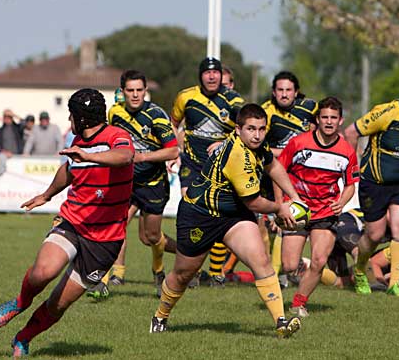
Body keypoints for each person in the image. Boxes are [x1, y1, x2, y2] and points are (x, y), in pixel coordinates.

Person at [0, 88, 134, 357]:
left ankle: (23, 337)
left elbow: (125, 157)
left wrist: (88, 156)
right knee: (43, 272)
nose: (70, 121)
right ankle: (20, 302)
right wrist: (46, 195)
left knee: (58, 304)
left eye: (72, 116)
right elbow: (69, 170)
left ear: (81, 118)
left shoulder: (117, 136)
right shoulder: (77, 140)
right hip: (74, 221)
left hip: (105, 241)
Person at [149, 104, 302, 338]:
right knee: (183, 274)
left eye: (261, 129)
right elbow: (254, 203)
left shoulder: (257, 146)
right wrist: (280, 208)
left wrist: (294, 197)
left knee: (261, 260)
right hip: (200, 215)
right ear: (238, 129)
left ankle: (281, 322)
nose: (257, 134)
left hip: (233, 216)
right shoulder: (237, 155)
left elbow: (273, 165)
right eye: (251, 129)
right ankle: (160, 316)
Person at [88, 70, 179, 298]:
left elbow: (174, 150)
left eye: (140, 90)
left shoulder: (156, 115)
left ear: (145, 91)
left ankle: (164, 268)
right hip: (125, 183)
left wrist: (143, 157)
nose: (136, 95)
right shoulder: (115, 113)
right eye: (131, 90)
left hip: (153, 184)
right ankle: (104, 279)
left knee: (150, 237)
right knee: (114, 228)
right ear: (123, 92)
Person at [344, 73, 399, 297]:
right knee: (374, 234)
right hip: (374, 183)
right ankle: (361, 269)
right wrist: (352, 169)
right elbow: (350, 132)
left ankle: (394, 284)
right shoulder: (385, 113)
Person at [277, 97, 359, 317]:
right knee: (288, 264)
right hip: (298, 209)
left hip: (325, 212)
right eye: (325, 117)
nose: (329, 122)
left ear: (340, 120)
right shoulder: (299, 143)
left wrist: (341, 201)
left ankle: (298, 303)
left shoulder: (346, 151)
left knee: (320, 260)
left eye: (333, 117)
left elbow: (351, 184)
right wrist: (280, 205)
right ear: (318, 119)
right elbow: (278, 172)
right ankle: (300, 272)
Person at [171, 56, 244, 288]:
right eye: (207, 72)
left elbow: (244, 130)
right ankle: (193, 269)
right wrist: (173, 149)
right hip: (192, 164)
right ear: (200, 75)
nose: (212, 76)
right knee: (190, 212)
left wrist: (224, 145)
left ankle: (216, 273)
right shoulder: (186, 97)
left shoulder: (233, 100)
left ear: (222, 76)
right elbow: (173, 123)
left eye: (216, 73)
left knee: (218, 215)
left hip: (221, 168)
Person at [262, 71, 318, 282]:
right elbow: (259, 145)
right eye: (280, 90)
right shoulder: (266, 112)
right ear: (273, 92)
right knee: (269, 226)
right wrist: (285, 153)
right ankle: (273, 272)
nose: (284, 94)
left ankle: (280, 275)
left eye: (288, 90)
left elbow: (320, 130)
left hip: (303, 177)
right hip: (273, 174)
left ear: (296, 92)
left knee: (285, 223)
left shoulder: (310, 107)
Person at [327, 197, 399, 288]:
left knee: (341, 281)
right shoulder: (381, 214)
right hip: (347, 223)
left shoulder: (395, 230)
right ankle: (375, 284)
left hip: (340, 243)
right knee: (359, 253)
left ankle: (311, 267)